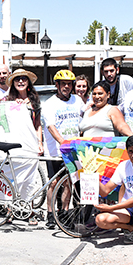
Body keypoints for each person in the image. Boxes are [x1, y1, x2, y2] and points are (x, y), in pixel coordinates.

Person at [41, 70, 84, 229]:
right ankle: (51, 213)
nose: (66, 86)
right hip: (55, 151)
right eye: (63, 84)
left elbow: (85, 117)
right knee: (54, 183)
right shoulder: (50, 104)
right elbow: (51, 127)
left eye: (69, 84)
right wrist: (62, 143)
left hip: (73, 150)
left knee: (69, 183)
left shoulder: (77, 100)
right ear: (57, 85)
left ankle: (64, 212)